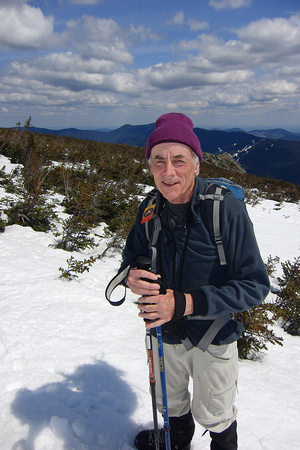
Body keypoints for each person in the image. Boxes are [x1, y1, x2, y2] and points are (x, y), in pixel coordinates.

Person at [120, 113, 270, 449]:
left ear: (197, 164)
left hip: (212, 334)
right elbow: (130, 256)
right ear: (150, 165)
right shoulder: (149, 209)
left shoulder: (223, 210)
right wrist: (130, 274)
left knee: (216, 412)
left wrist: (185, 303)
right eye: (159, 160)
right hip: (163, 331)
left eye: (178, 160)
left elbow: (255, 285)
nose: (168, 171)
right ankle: (177, 439)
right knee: (170, 401)